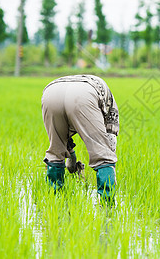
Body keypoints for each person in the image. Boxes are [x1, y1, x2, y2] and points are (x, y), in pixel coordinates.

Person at [41, 74, 119, 203]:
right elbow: (110, 138)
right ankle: (108, 204)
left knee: (56, 150)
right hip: (84, 95)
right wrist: (109, 164)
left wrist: (72, 163)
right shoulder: (110, 106)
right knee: (103, 155)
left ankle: (54, 200)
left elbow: (64, 141)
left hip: (51, 93)